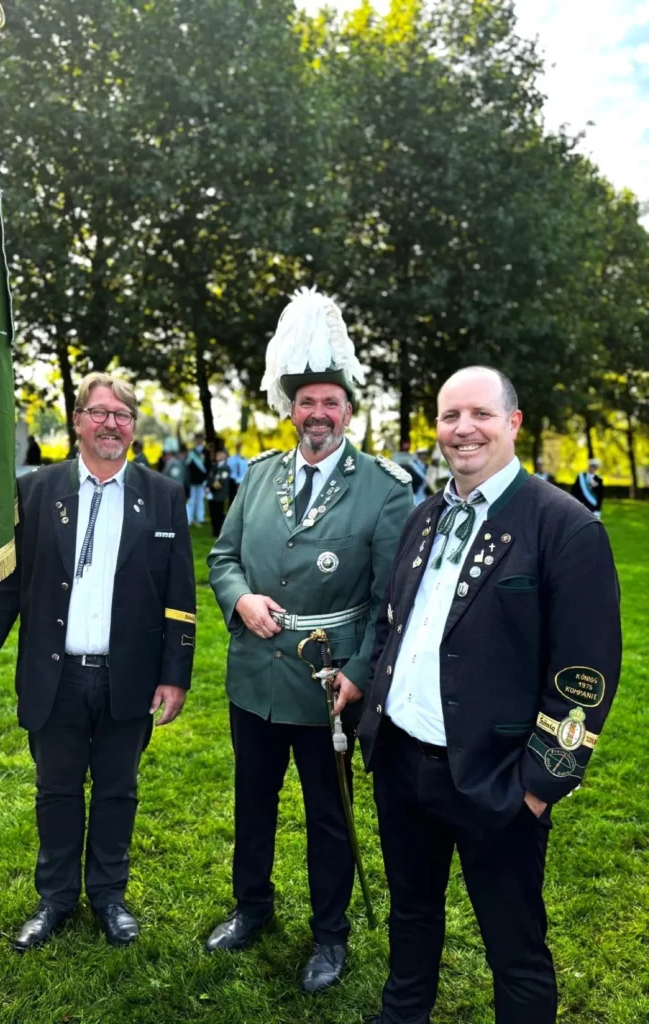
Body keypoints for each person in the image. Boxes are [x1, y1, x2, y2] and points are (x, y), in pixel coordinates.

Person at [358, 366, 621, 1024]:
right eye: (450, 416)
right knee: (411, 919)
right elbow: (396, 623)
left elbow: (583, 683)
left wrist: (538, 787)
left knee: (516, 949)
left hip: (497, 783)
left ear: (513, 423)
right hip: (403, 768)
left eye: (479, 413)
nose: (462, 428)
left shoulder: (565, 527)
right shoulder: (426, 516)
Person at [0, 371, 196, 952]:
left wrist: (174, 674)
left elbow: (181, 596)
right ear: (77, 420)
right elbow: (6, 589)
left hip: (126, 677)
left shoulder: (163, 495)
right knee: (56, 792)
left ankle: (108, 896)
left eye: (123, 414)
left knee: (116, 792)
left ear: (134, 426)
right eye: (100, 412)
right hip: (54, 675)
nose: (111, 423)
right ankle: (55, 898)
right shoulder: (35, 490)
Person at [205, 287, 413, 993]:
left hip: (332, 686)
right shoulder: (259, 476)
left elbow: (392, 601)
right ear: (290, 410)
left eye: (331, 403)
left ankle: (330, 936)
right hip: (254, 678)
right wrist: (241, 599)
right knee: (251, 803)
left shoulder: (385, 490)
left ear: (348, 412)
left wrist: (359, 673)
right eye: (306, 403)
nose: (317, 414)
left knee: (329, 819)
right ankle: (251, 909)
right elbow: (222, 558)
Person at [206, 448, 231, 538]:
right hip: (211, 494)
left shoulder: (225, 468)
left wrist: (210, 489)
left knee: (219, 513)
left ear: (225, 456)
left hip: (219, 494)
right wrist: (207, 487)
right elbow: (210, 478)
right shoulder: (215, 466)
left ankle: (219, 531)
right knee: (212, 513)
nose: (218, 456)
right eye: (217, 454)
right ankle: (214, 530)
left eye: (220, 454)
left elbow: (221, 482)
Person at [186, 434, 209, 525]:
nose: (198, 441)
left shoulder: (206, 452)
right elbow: (188, 465)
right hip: (192, 479)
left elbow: (208, 466)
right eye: (197, 439)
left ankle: (200, 518)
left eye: (200, 439)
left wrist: (206, 479)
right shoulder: (191, 452)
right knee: (191, 500)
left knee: (200, 500)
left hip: (202, 479)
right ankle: (189, 519)